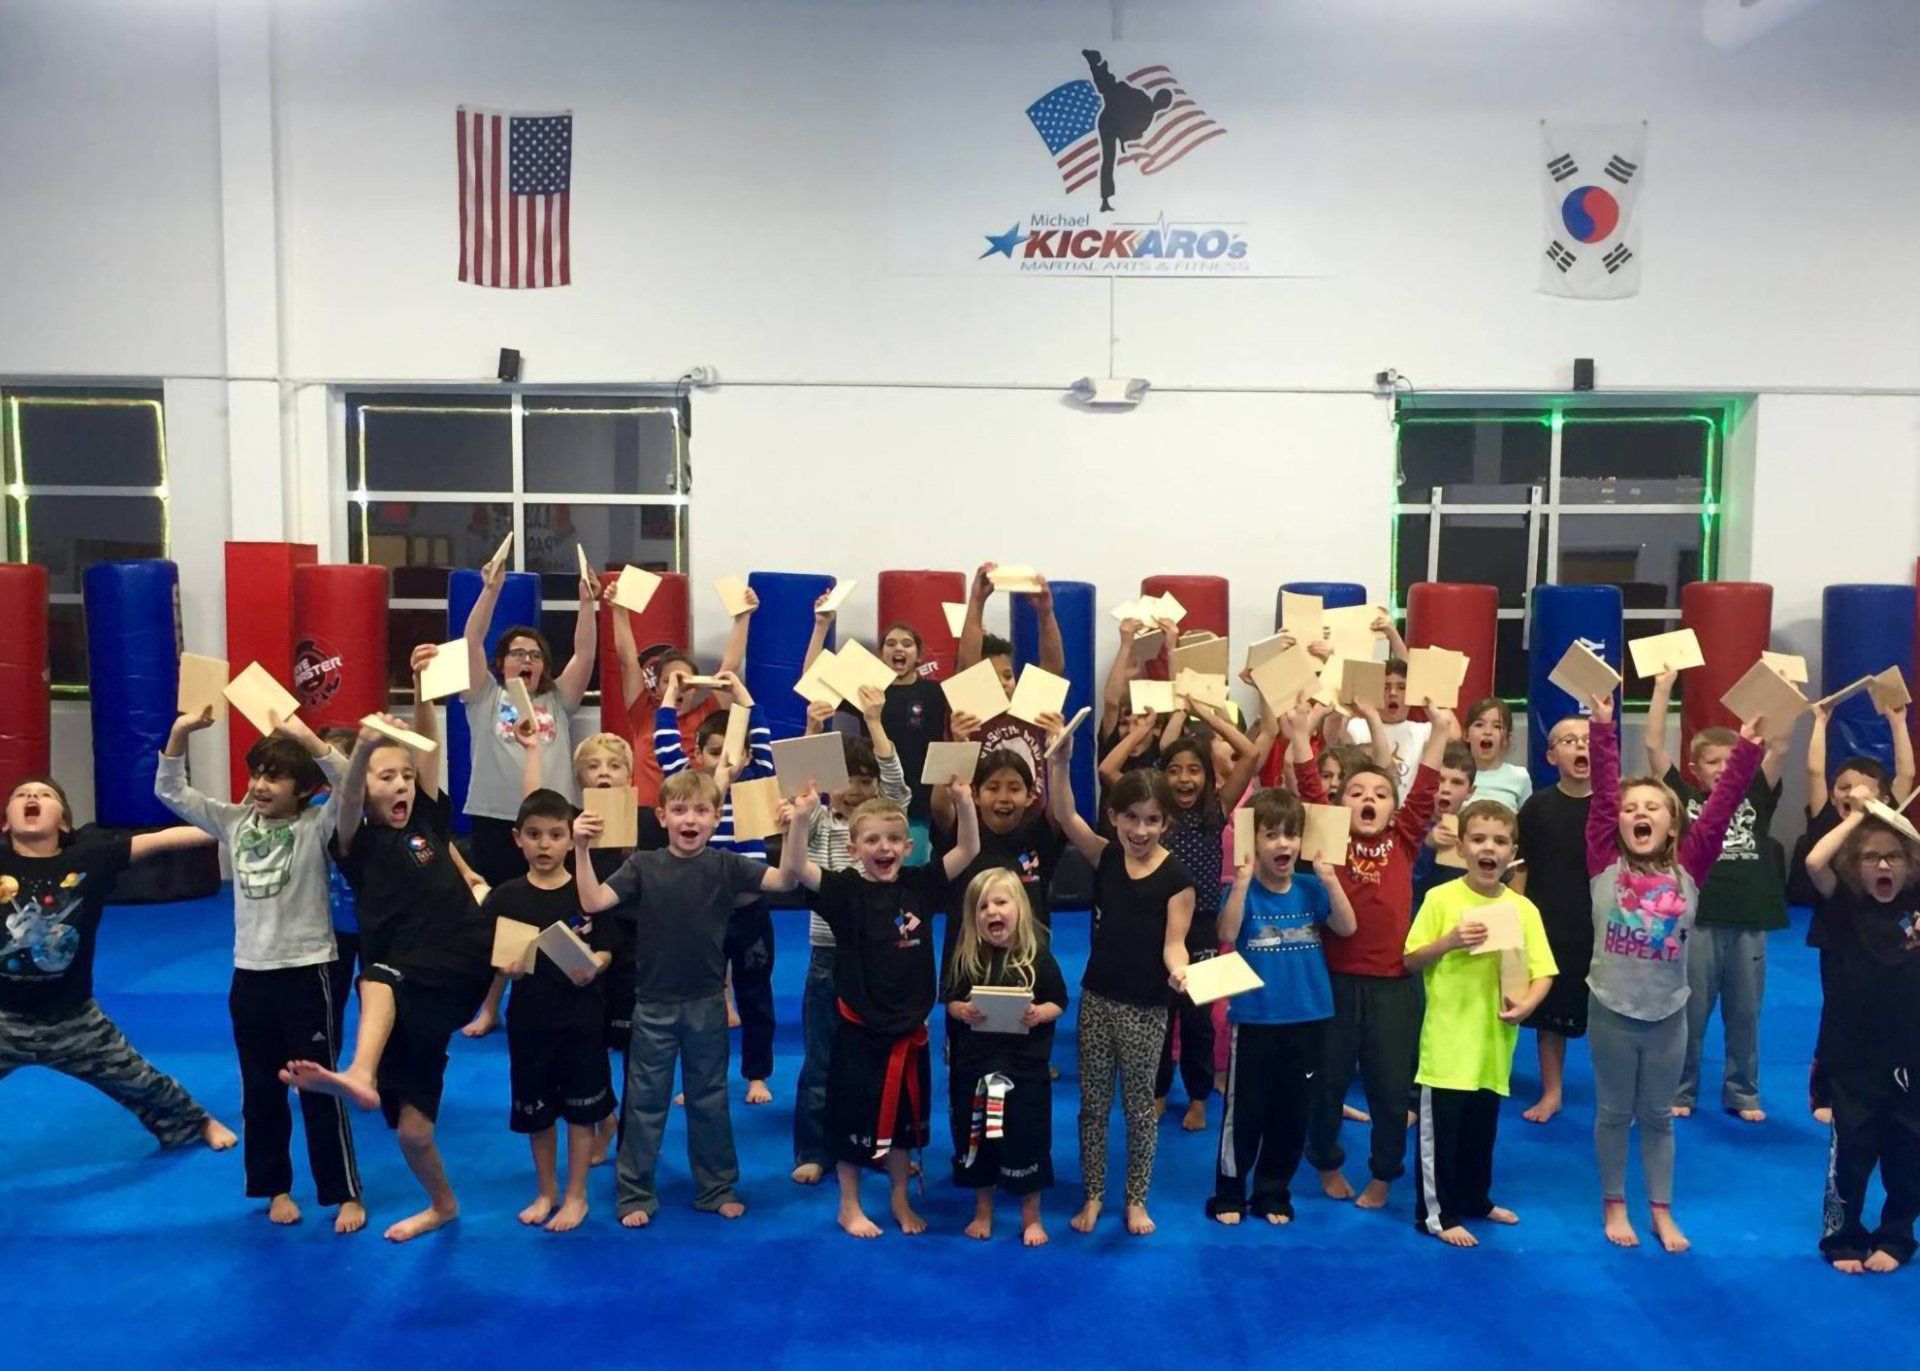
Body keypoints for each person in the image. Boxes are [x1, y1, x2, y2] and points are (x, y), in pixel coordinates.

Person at [291, 687, 493, 1243]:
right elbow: (349, 796)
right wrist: (364, 751)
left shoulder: (425, 820)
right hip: (410, 991)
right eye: (387, 778)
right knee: (412, 1131)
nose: (401, 784)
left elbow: (427, 753)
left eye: (404, 776)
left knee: (373, 977)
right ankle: (442, 1205)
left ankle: (359, 1071)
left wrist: (424, 691)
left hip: (458, 957)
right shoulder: (352, 841)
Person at [156, 708, 364, 1232]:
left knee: (318, 1086)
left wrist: (308, 738)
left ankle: (343, 1191)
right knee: (260, 1087)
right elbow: (172, 794)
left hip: (307, 969)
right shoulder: (234, 822)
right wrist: (180, 734)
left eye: (275, 776)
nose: (260, 785)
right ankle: (274, 1187)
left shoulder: (318, 825)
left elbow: (349, 783)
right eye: (257, 774)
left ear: (304, 788)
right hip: (250, 973)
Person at [575, 770, 797, 1228]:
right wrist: (580, 848)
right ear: (662, 817)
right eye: (679, 810)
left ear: (717, 818)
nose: (689, 819)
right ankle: (634, 1190)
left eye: (700, 811)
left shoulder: (725, 865)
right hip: (653, 1003)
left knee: (709, 1098)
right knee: (644, 1101)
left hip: (707, 1005)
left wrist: (795, 830)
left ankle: (717, 1186)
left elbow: (786, 880)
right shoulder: (643, 865)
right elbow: (594, 901)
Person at [1583, 690, 1761, 1254]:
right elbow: (1602, 804)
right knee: (1614, 1113)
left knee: (1658, 1116)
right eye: (1631, 808)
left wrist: (1748, 750)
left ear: (1673, 823)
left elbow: (1725, 803)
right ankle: (1615, 1202)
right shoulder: (1603, 864)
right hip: (1611, 1006)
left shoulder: (1691, 866)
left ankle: (1661, 1209)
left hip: (1667, 1012)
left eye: (1653, 808)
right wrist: (1603, 729)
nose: (1640, 814)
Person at [780, 776, 980, 1239]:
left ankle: (898, 1198)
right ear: (853, 850)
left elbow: (968, 849)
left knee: (906, 1125)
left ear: (909, 846)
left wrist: (965, 802)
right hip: (859, 1028)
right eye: (871, 840)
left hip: (909, 1030)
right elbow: (793, 868)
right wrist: (804, 818)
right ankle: (848, 1204)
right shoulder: (845, 891)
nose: (884, 847)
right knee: (853, 1120)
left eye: (893, 839)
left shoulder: (921, 885)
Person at [0, 776, 233, 1154]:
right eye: (20, 794)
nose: (31, 797)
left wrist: (240, 823)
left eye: (45, 795)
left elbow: (165, 839)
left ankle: (195, 1121)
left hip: (72, 1018)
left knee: (137, 1078)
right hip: (3, 1017)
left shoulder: (89, 857)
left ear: (63, 823)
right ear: (6, 822)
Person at [1296, 697, 1453, 1209]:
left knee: (1390, 1091)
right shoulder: (1330, 838)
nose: (1368, 798)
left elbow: (1426, 786)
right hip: (1335, 983)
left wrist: (1440, 731)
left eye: (1381, 794)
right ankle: (1326, 1160)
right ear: (1341, 803)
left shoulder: (1406, 838)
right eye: (1357, 791)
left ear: (1393, 806)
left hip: (1392, 986)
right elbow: (1308, 784)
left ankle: (1385, 1172)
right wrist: (1301, 734)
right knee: (1327, 1085)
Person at [1048, 726, 1194, 1237]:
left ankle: (1135, 1198)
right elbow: (1065, 815)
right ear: (1114, 817)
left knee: (1138, 1108)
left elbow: (1175, 943)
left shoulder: (1177, 880)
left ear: (1166, 823)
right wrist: (1061, 762)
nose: (1140, 829)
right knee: (1092, 1105)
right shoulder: (1106, 854)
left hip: (1147, 1007)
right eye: (1130, 818)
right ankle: (1092, 1194)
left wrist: (1179, 971)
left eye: (1152, 820)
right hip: (1098, 998)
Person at [1402, 799, 1556, 1247]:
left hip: (1494, 1044)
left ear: (1513, 852)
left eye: (1500, 841)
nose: (1490, 848)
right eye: (1479, 839)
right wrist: (1449, 941)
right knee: (1442, 1135)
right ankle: (1436, 1214)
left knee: (1479, 1131)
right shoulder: (1441, 898)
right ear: (1463, 848)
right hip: (1448, 1044)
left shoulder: (1523, 909)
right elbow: (1410, 960)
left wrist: (1527, 1004)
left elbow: (1543, 970)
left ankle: (1475, 1198)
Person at [1644, 670, 1789, 1123]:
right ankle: (1682, 1090)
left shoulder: (1757, 796)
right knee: (1691, 1012)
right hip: (1698, 921)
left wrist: (1777, 694)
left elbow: (1779, 745)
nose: (1724, 768)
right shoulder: (1683, 798)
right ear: (1695, 768)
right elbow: (1652, 749)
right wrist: (1664, 689)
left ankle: (1742, 1092)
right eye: (1713, 762)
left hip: (1748, 920)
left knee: (1745, 1015)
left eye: (1731, 760)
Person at [1209, 785, 1355, 1225]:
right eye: (1271, 835)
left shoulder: (1311, 887)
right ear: (1254, 842)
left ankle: (1274, 1192)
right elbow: (1229, 933)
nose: (1283, 844)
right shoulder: (1244, 890)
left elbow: (1346, 928)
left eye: (1292, 835)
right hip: (1255, 1020)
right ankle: (1230, 1192)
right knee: (1245, 1111)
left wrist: (1330, 879)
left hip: (1309, 1019)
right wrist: (1242, 882)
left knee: (1292, 1112)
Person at [789, 703, 912, 1185]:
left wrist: (878, 721)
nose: (857, 790)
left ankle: (876, 1146)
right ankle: (814, 1150)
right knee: (821, 1059)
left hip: (878, 958)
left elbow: (898, 786)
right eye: (848, 780)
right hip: (828, 958)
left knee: (875, 1063)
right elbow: (798, 783)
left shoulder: (883, 831)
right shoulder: (820, 823)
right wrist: (813, 728)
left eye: (866, 781)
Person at [654, 668, 779, 1105]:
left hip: (749, 911)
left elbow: (760, 734)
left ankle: (756, 1075)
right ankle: (697, 1078)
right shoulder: (694, 794)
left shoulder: (756, 782)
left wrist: (740, 692)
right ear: (698, 755)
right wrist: (671, 692)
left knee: (755, 995)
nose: (725, 760)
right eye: (713, 752)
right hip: (703, 911)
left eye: (734, 752)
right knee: (702, 1001)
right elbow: (665, 745)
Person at [1803, 809, 1920, 1273]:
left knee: (1908, 1152)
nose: (1884, 866)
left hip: (1911, 1052)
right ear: (1855, 866)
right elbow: (1815, 861)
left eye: (1894, 857)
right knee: (1850, 1152)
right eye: (1872, 858)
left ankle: (1897, 1234)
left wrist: (1902, 826)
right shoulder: (1844, 903)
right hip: (1852, 1054)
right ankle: (1843, 1236)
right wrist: (1860, 815)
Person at [492, 789, 615, 1233]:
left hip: (581, 1019)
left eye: (555, 834)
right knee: (537, 1113)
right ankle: (546, 1190)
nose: (545, 844)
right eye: (534, 835)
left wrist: (595, 965)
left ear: (570, 839)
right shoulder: (506, 897)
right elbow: (488, 956)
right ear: (517, 839)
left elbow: (608, 948)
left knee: (583, 1112)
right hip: (529, 1021)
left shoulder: (589, 893)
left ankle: (576, 1195)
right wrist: (503, 970)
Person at [1151, 702, 1267, 1130]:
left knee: (1198, 1017)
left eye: (1194, 770)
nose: (1184, 778)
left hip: (1202, 922)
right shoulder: (1156, 818)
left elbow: (1251, 756)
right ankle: (1159, 1091)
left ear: (1209, 777)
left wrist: (1208, 715)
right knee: (1160, 1014)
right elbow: (1114, 772)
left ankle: (1198, 1095)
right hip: (1159, 926)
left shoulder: (1214, 812)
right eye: (1175, 770)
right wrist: (1170, 718)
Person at [944, 868, 1068, 1246]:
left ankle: (1031, 1216)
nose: (992, 912)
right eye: (983, 906)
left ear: (1020, 909)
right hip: (975, 1069)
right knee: (977, 1137)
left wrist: (1040, 1013)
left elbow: (1058, 1001)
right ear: (972, 916)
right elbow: (949, 1000)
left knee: (1026, 1139)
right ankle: (984, 1210)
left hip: (1025, 1070)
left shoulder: (1038, 958)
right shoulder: (966, 958)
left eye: (1001, 902)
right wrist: (960, 1010)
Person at [1512, 715, 1593, 1124]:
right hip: (1552, 923)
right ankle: (1553, 1090)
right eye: (1569, 740)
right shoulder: (1538, 806)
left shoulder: (1613, 805)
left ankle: (1617, 1095)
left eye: (1587, 739)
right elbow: (1522, 866)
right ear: (1551, 755)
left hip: (1603, 925)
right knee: (1552, 1015)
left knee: (1613, 1015)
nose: (1580, 746)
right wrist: (1514, 921)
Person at [611, 588, 755, 808]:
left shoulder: (708, 716)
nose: (678, 687)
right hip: (647, 819)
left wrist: (743, 616)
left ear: (696, 687)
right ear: (656, 688)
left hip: (691, 817)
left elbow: (730, 668)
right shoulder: (643, 713)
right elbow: (628, 661)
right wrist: (619, 610)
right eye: (669, 681)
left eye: (685, 681)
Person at [1464, 698, 1532, 811]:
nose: (1487, 732)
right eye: (1479, 724)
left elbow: (1527, 821)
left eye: (1497, 726)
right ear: (1466, 735)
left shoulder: (1519, 776)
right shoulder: (1455, 775)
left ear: (1507, 739)